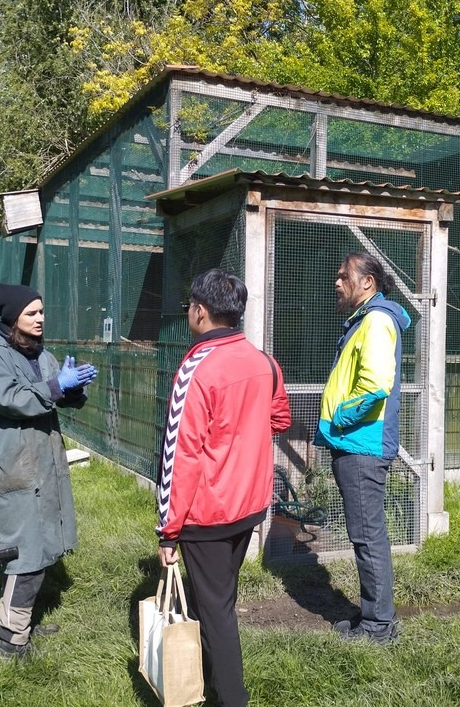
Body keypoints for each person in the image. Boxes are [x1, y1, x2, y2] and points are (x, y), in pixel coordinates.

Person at [156, 268, 291, 706]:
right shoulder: (264, 362)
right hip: (249, 506)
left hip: (207, 512)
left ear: (200, 311)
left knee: (215, 612)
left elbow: (180, 454)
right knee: (219, 599)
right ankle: (212, 683)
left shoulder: (195, 368)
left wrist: (168, 530)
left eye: (188, 307)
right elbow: (279, 418)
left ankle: (233, 697)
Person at [0, 282, 97, 660]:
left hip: (45, 462)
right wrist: (56, 386)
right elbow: (14, 400)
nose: (40, 318)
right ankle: (10, 643)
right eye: (32, 313)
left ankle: (23, 622)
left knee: (42, 545)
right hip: (18, 465)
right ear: (13, 317)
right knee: (24, 555)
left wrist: (73, 389)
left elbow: (57, 395)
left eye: (41, 311)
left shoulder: (42, 355)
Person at [313, 252, 410, 645]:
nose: (337, 283)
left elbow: (375, 385)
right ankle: (375, 616)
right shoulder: (366, 320)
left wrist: (340, 419)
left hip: (361, 444)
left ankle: (378, 627)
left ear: (367, 282)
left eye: (344, 276)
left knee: (367, 536)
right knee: (366, 534)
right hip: (356, 443)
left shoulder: (376, 321)